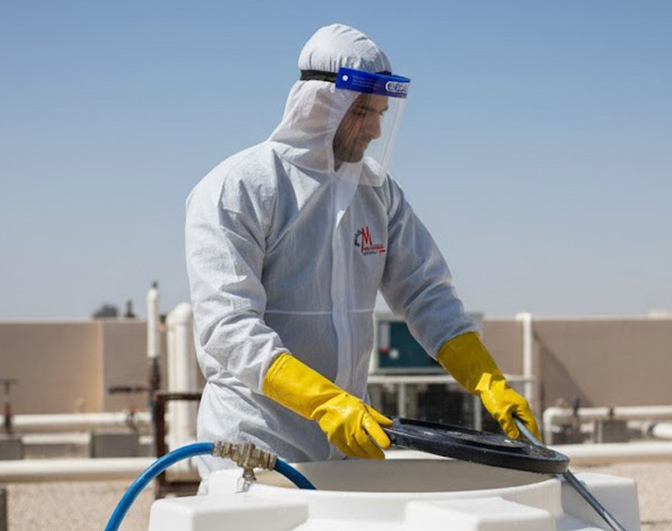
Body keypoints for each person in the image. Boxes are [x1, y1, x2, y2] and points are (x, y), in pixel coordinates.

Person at [185, 23, 539, 474]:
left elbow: (426, 292)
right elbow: (229, 328)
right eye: (361, 112)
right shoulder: (240, 189)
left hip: (348, 448)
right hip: (255, 449)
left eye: (381, 114)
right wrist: (323, 401)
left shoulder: (377, 192)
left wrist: (488, 380)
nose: (374, 129)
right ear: (318, 105)